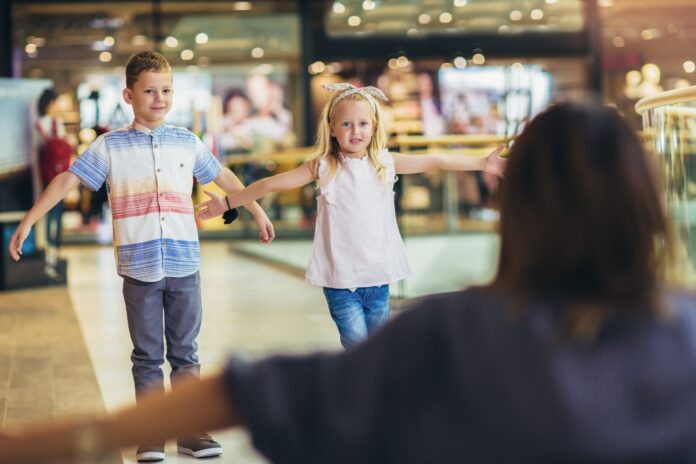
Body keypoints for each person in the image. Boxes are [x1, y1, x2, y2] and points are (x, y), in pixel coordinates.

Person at [3, 101, 691, 464]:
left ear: (520, 207)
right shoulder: (684, 337)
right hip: (330, 277)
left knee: (356, 343)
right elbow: (273, 180)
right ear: (648, 202)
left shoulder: (457, 332)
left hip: (361, 282)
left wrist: (35, 447)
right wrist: (239, 201)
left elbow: (252, 392)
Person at [7, 51, 275, 463]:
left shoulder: (187, 140)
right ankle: (152, 436)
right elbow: (67, 180)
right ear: (129, 95)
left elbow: (222, 177)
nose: (159, 98)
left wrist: (256, 210)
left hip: (185, 265)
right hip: (140, 269)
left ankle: (190, 431)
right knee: (147, 356)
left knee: (186, 353)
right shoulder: (110, 146)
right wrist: (29, 220)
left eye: (166, 90)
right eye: (149, 91)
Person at [197, 82, 506, 349]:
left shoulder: (386, 163)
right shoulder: (324, 167)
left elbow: (437, 159)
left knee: (378, 351)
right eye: (346, 124)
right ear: (332, 128)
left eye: (363, 124)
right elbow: (270, 184)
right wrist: (227, 203)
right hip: (341, 281)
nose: (355, 131)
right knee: (357, 346)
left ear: (374, 129)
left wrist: (482, 163)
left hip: (378, 278)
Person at [34, 87, 70, 274]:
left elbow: (37, 154)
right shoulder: (56, 123)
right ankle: (55, 254)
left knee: (47, 216)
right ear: (50, 103)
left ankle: (49, 256)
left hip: (46, 178)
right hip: (61, 179)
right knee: (57, 215)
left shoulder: (38, 125)